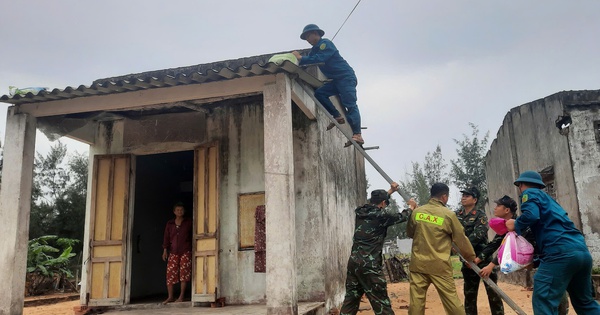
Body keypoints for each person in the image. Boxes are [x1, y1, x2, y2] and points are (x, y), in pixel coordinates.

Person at [506, 170, 600, 314]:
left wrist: (516, 223)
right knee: (585, 303)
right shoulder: (551, 202)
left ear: (521, 185)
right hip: (581, 252)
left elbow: (531, 215)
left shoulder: (529, 194)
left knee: (544, 302)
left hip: (559, 253)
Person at [478, 195, 570, 315]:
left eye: (498, 206)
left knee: (552, 293)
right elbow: (496, 245)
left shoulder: (520, 224)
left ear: (507, 210)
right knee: (548, 294)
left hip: (547, 259)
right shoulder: (507, 225)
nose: (495, 208)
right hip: (539, 262)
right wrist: (478, 259)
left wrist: (490, 265)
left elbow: (507, 248)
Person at [340, 182, 417, 315]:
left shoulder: (361, 211)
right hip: (369, 266)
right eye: (385, 203)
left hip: (354, 264)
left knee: (351, 301)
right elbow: (401, 216)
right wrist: (411, 207)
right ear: (382, 203)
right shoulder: (381, 216)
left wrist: (390, 191)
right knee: (381, 303)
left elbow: (376, 203)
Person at [407, 183, 476, 315]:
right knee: (451, 301)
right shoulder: (448, 215)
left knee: (416, 301)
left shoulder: (417, 212)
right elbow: (461, 238)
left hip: (418, 264)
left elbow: (410, 233)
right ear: (444, 196)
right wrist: (470, 257)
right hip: (439, 265)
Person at [292, 24, 364, 147]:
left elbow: (320, 58)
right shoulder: (315, 49)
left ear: (315, 33)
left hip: (345, 77)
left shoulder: (325, 44)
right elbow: (312, 59)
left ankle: (357, 134)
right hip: (336, 80)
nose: (307, 40)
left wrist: (300, 58)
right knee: (320, 93)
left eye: (308, 36)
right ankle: (336, 115)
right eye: (306, 38)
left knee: (350, 104)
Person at [456, 187, 504, 315]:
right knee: (470, 295)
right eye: (463, 195)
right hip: (467, 261)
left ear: (475, 199)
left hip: (483, 260)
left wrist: (461, 246)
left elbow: (478, 235)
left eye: (467, 196)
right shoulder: (457, 215)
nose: (463, 197)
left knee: (493, 293)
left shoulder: (480, 215)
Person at [162, 202, 193, 304]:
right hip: (173, 251)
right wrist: (165, 250)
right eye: (178, 210)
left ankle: (181, 296)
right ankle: (170, 297)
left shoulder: (188, 222)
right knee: (170, 273)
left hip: (185, 250)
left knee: (184, 273)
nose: (180, 212)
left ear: (184, 211)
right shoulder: (170, 224)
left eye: (181, 210)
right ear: (174, 212)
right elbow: (166, 237)